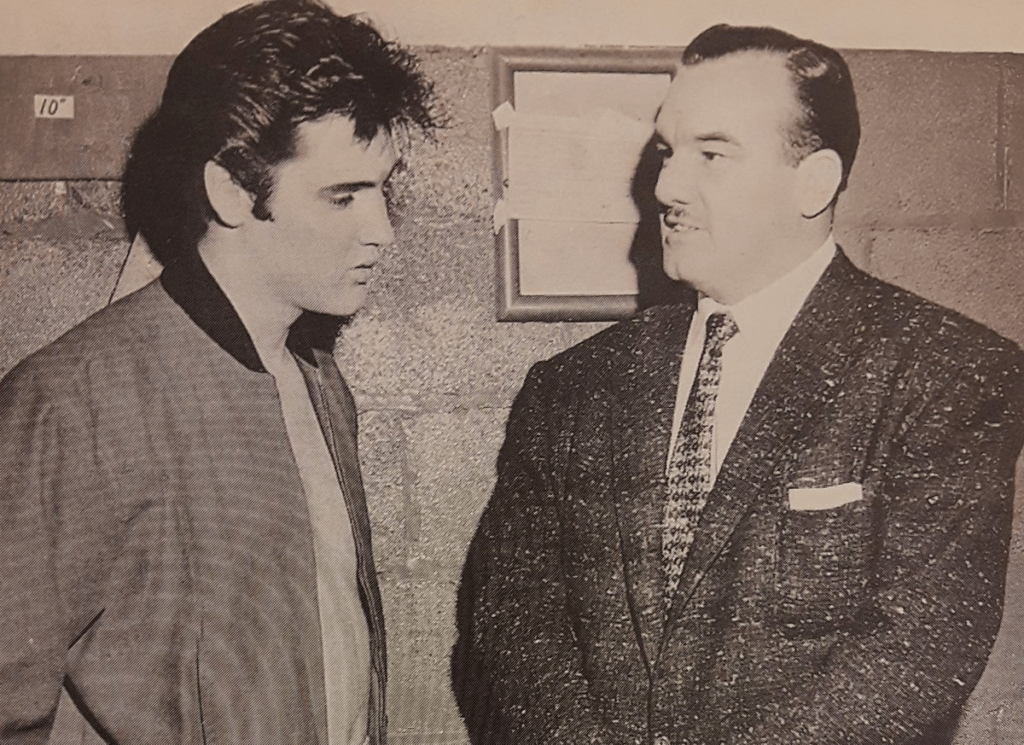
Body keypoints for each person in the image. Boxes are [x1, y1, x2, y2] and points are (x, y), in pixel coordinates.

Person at [452, 24, 1024, 745]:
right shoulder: (571, 390)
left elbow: (916, 652)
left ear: (813, 181)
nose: (665, 187)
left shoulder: (948, 374)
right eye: (668, 152)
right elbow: (513, 617)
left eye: (712, 154)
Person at [0, 1, 436, 742]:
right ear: (232, 190)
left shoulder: (321, 382)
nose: (382, 231)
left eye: (382, 189)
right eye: (343, 196)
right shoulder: (68, 404)